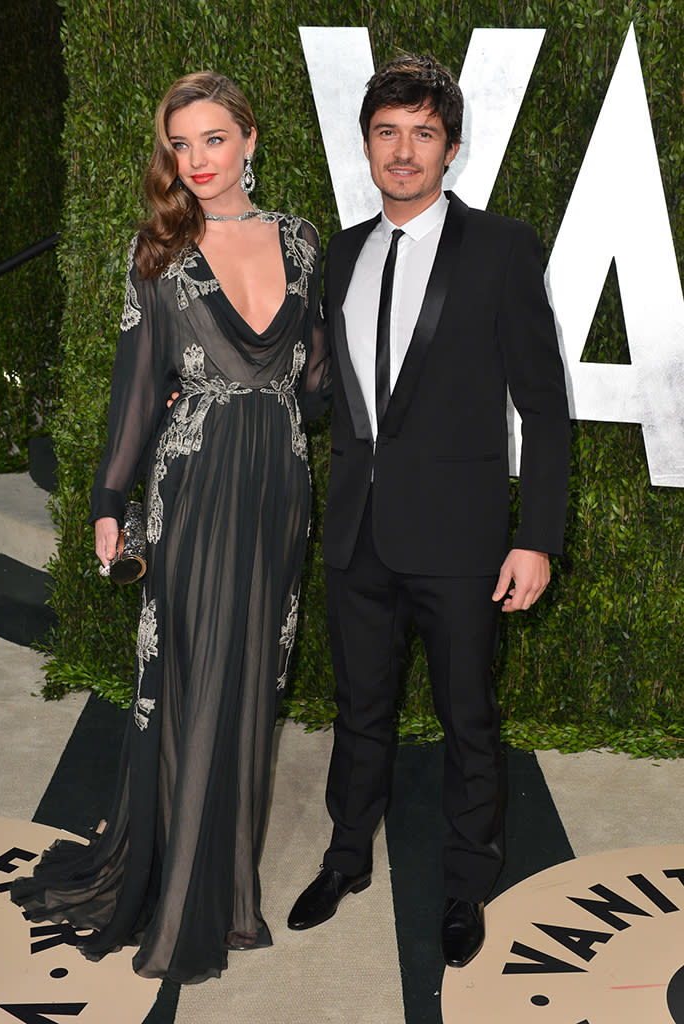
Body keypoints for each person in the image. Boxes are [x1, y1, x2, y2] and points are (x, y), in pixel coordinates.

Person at [10, 70, 327, 984]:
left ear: (251, 139)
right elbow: (136, 392)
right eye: (180, 145)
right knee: (192, 675)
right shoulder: (158, 253)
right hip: (192, 485)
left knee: (253, 684)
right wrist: (109, 505)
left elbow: (313, 386)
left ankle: (229, 892)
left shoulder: (303, 242)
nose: (195, 161)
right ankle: (183, 894)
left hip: (279, 487)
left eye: (213, 140)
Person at [287, 54, 571, 968]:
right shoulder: (343, 250)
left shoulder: (500, 247)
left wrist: (537, 539)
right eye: (387, 133)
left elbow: (544, 402)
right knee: (359, 712)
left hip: (460, 540)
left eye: (422, 134)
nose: (403, 152)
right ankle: (344, 859)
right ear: (366, 143)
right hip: (359, 534)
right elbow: (331, 390)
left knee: (467, 720)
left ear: (451, 148)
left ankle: (464, 883)